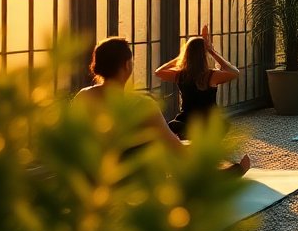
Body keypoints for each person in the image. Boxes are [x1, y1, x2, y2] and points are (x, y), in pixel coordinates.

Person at [79, 36, 249, 174]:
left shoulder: (83, 96)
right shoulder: (141, 104)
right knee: (171, 150)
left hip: (90, 175)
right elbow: (176, 148)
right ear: (126, 65)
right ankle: (216, 176)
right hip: (129, 177)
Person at [155, 25, 240, 139]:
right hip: (208, 123)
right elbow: (235, 72)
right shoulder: (212, 75)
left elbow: (158, 72)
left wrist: (181, 57)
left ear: (187, 55)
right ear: (204, 56)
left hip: (186, 122)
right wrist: (212, 51)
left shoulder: (181, 75)